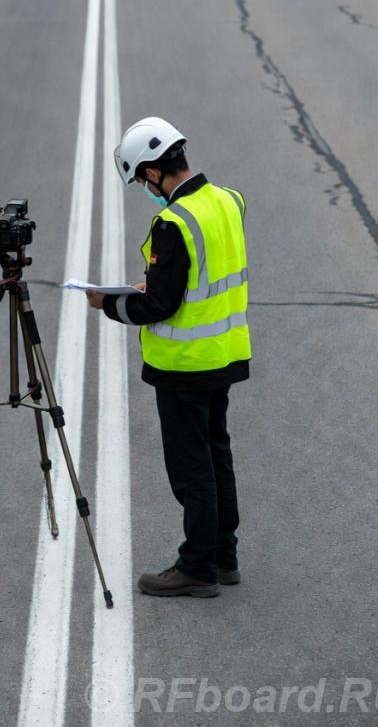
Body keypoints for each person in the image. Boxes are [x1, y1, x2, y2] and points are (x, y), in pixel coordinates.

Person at [86, 117, 251, 598]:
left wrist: (109, 302)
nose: (144, 187)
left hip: (184, 365)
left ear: (156, 170)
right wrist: (156, 284)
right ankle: (225, 557)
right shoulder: (228, 200)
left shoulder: (173, 222)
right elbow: (202, 275)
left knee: (191, 468)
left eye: (141, 177)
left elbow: (160, 305)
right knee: (217, 456)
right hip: (222, 354)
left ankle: (196, 567)